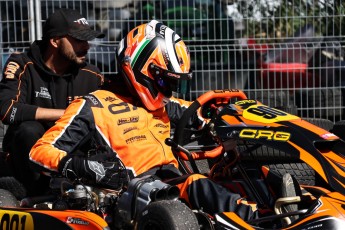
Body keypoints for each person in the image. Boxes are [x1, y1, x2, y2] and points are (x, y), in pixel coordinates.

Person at [29, 20, 296, 222]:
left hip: (173, 185)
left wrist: (227, 119)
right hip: (133, 193)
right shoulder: (92, 105)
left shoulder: (169, 106)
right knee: (196, 185)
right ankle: (264, 220)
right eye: (164, 81)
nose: (168, 90)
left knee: (243, 174)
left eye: (173, 83)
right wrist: (83, 166)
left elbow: (202, 114)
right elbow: (39, 152)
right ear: (141, 68)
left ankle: (293, 203)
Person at [0, 8, 105, 196]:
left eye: (87, 40)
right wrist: (70, 113)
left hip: (72, 158)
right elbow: (7, 110)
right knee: (29, 129)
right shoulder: (22, 64)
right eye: (79, 40)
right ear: (55, 41)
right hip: (25, 163)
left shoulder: (92, 75)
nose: (87, 46)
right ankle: (39, 194)